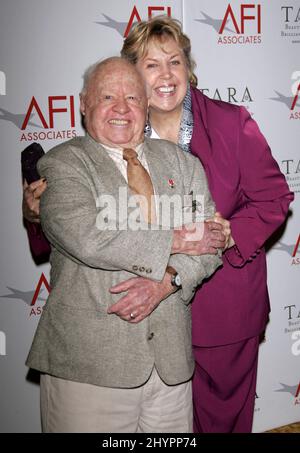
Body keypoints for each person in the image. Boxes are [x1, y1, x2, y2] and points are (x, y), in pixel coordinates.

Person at [23, 17, 294, 433]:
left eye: (175, 62)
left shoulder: (231, 123)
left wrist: (223, 236)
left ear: (189, 67)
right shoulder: (109, 134)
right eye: (151, 65)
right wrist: (36, 216)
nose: (166, 76)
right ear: (132, 71)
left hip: (223, 307)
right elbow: (80, 234)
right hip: (130, 327)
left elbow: (275, 198)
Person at [26, 57, 223, 433]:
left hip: (170, 367)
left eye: (133, 97)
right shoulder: (63, 165)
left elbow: (211, 244)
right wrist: (179, 239)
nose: (121, 108)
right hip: (89, 367)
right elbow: (88, 236)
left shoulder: (184, 165)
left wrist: (168, 281)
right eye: (107, 97)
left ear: (147, 105)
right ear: (83, 104)